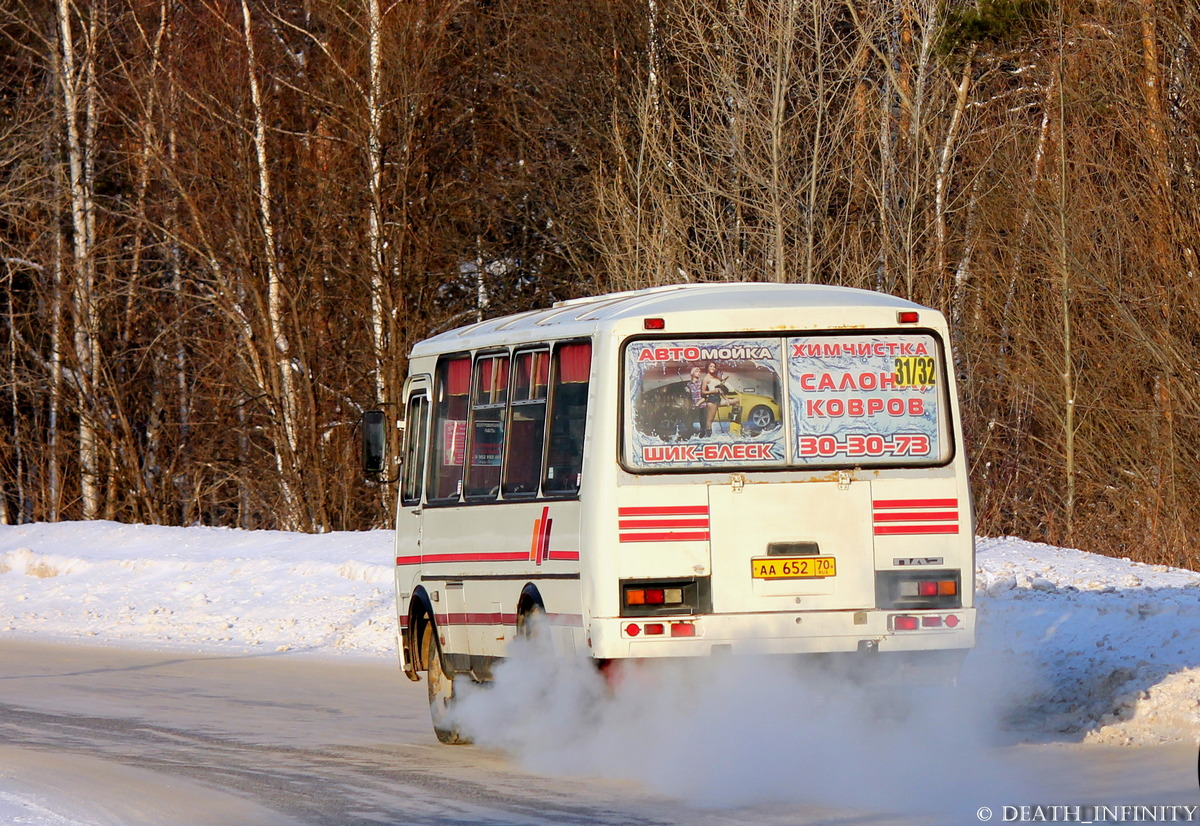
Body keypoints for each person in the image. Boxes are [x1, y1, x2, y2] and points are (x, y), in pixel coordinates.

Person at [701, 362, 731, 436]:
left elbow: (720, 390)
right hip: (712, 400)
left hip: (719, 399)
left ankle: (735, 425)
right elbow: (703, 392)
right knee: (710, 420)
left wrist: (726, 398)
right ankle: (708, 437)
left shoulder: (715, 377)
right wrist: (712, 391)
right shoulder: (706, 378)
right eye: (711, 366)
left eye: (714, 367)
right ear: (707, 367)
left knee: (736, 401)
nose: (713, 368)